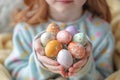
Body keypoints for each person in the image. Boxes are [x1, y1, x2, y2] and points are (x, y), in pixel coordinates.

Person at [4, 0, 115, 80]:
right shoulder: (25, 29)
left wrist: (83, 68)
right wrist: (41, 64)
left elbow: (106, 76)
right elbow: (15, 73)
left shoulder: (102, 31)